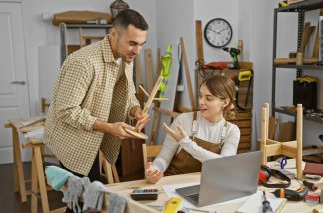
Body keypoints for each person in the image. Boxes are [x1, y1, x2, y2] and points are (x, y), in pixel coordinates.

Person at [43, 9, 150, 183]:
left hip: (93, 135)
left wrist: (135, 109)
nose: (137, 51)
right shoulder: (83, 62)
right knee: (83, 200)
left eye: (142, 44)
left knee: (88, 199)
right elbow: (66, 110)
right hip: (72, 141)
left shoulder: (126, 57)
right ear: (114, 34)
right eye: (132, 43)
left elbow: (127, 91)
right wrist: (108, 127)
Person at [145, 75, 240, 184]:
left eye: (209, 98)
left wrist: (186, 143)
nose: (201, 102)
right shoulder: (184, 120)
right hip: (174, 183)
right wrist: (155, 170)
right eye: (200, 96)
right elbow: (163, 158)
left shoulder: (232, 131)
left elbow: (223, 165)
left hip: (208, 185)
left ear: (225, 102)